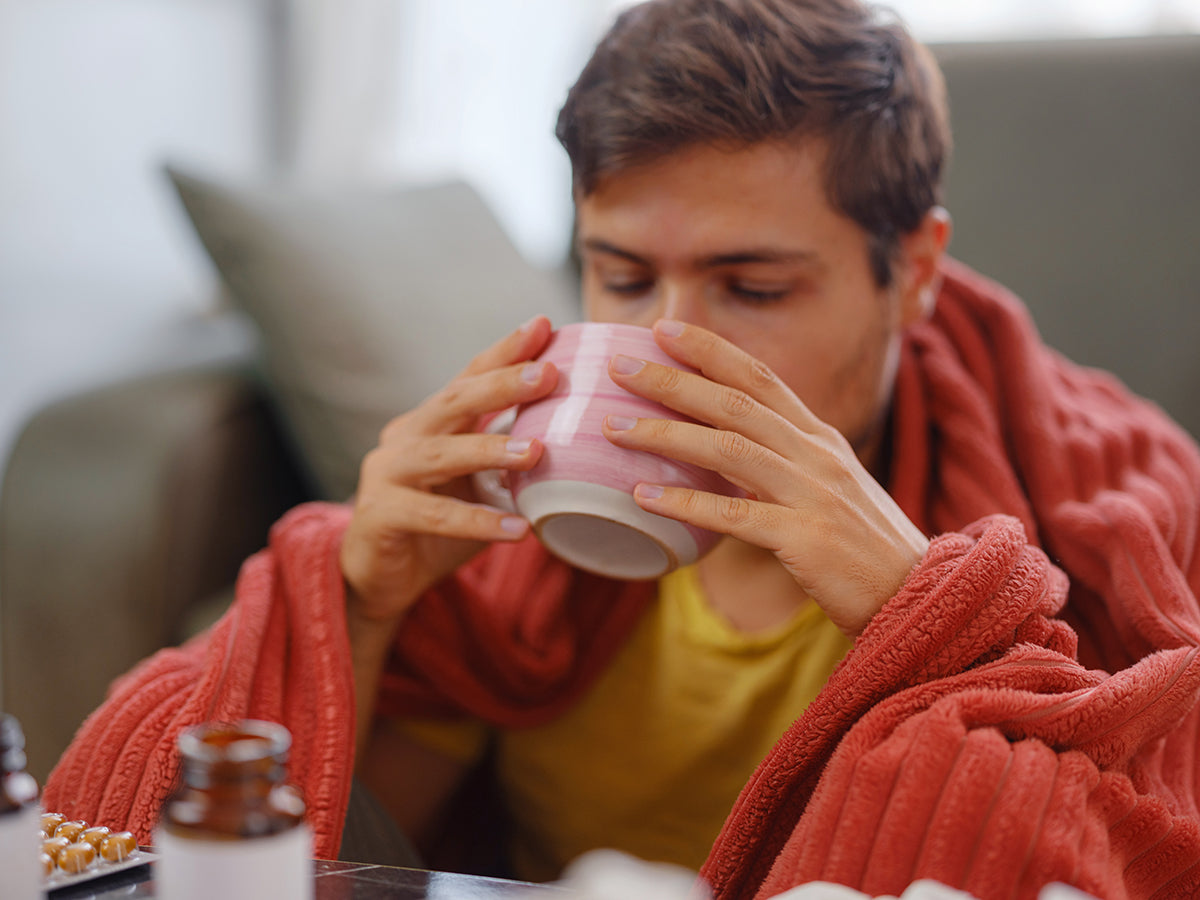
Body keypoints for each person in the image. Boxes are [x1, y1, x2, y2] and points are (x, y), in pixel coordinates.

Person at [44, 0, 1200, 898]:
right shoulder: (514, 523)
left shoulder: (1109, 487)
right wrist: (354, 601)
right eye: (623, 275)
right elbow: (334, 850)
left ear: (919, 273)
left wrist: (938, 626)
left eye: (753, 286)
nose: (667, 346)